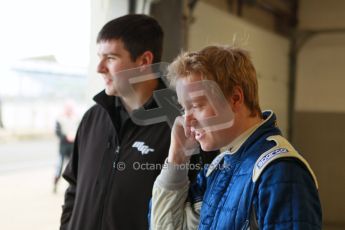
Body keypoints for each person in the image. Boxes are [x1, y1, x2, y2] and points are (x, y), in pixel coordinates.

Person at [60, 14, 216, 230]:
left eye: (111, 58)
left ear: (144, 61)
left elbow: (200, 207)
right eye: (99, 56)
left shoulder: (183, 124)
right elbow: (74, 189)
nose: (99, 67)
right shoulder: (93, 118)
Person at [150, 45, 322, 229]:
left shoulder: (279, 171)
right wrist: (177, 157)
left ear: (235, 98)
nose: (187, 120)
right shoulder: (218, 168)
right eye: (184, 108)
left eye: (197, 105)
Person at [53, 100, 79, 193]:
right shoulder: (60, 119)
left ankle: (71, 187)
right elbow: (57, 132)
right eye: (67, 108)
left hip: (72, 147)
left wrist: (74, 137)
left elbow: (80, 131)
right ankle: (55, 185)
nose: (69, 110)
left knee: (72, 167)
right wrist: (66, 137)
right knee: (59, 167)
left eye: (70, 108)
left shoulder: (76, 119)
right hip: (63, 147)